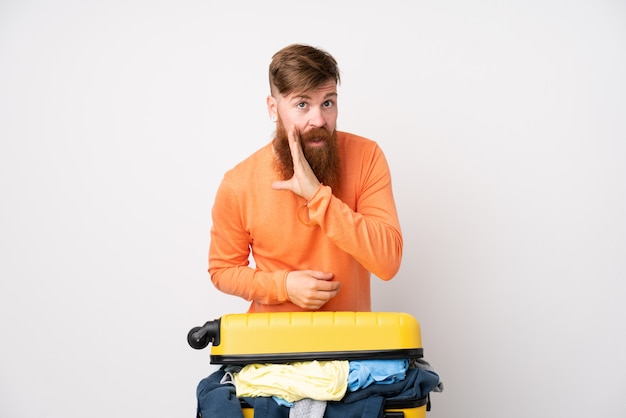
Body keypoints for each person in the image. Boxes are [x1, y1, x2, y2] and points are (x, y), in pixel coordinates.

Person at [208, 43, 402, 313]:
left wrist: (317, 196)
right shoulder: (238, 182)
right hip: (272, 347)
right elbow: (223, 270)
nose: (319, 120)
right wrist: (283, 286)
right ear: (273, 108)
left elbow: (387, 261)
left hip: (350, 344)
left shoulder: (366, 156)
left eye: (328, 103)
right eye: (302, 104)